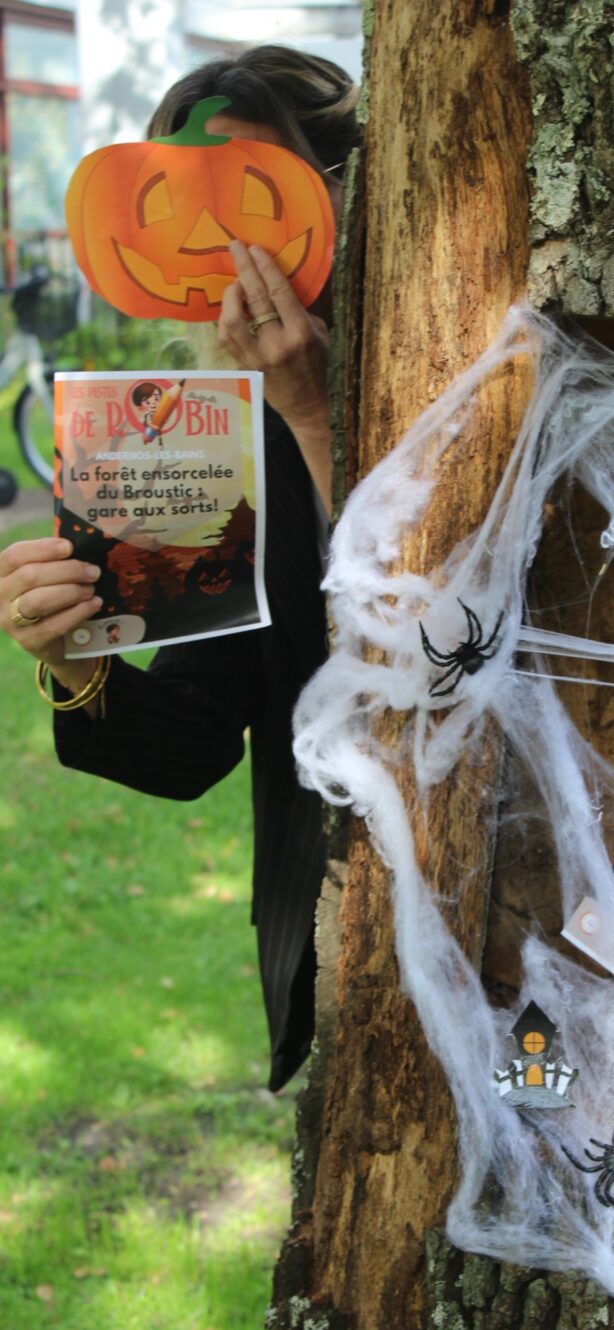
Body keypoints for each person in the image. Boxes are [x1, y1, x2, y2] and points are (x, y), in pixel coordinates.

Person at [0, 46, 361, 1091]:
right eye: (167, 202)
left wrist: (312, 412)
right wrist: (75, 660)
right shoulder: (199, 447)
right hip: (340, 927)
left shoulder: (471, 369)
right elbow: (193, 743)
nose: (213, 241)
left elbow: (442, 630)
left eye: (256, 195)